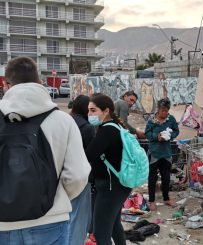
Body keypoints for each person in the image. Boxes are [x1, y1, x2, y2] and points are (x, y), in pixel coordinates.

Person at [0, 57, 90, 244]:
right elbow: (78, 176)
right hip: (50, 222)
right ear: (40, 82)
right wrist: (55, 197)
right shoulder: (63, 120)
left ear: (6, 84)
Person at [86, 93, 132, 245]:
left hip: (110, 188)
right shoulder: (116, 126)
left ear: (105, 111)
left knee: (100, 232)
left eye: (93, 110)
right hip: (119, 185)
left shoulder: (106, 130)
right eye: (88, 111)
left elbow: (89, 155)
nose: (89, 114)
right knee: (113, 226)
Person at [69, 95, 96, 245]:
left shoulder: (65, 121)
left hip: (62, 176)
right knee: (79, 217)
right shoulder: (87, 128)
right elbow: (92, 155)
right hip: (81, 177)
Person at [145, 98, 179, 211]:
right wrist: (156, 137)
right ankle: (151, 201)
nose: (164, 113)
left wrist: (170, 135)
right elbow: (147, 133)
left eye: (166, 111)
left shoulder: (171, 119)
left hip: (166, 153)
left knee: (166, 177)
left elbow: (176, 131)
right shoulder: (151, 120)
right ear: (158, 110)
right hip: (154, 152)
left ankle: (166, 198)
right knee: (152, 178)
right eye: (162, 111)